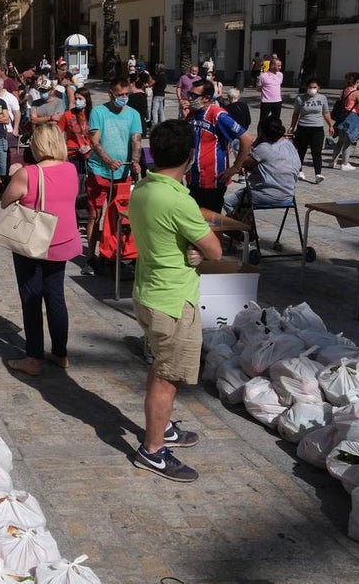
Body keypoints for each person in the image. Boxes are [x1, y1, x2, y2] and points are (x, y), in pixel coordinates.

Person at [127, 119, 222, 482]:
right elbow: (213, 249)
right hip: (172, 300)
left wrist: (189, 248)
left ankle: (161, 429)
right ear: (189, 155)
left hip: (149, 291)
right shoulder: (179, 200)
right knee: (167, 377)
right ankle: (152, 451)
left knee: (160, 365)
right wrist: (198, 246)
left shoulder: (144, 188)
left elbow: (167, 235)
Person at [1, 125, 84, 376]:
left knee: (32, 298)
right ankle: (60, 352)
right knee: (56, 296)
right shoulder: (70, 169)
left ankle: (33, 357)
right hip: (62, 240)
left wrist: (13, 174)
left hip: (33, 243)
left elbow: (6, 201)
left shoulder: (28, 174)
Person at [83, 78, 142, 272]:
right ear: (111, 93)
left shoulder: (133, 114)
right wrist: (108, 160)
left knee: (120, 216)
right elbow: (94, 141)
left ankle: (114, 253)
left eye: (126, 95)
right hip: (100, 171)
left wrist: (135, 162)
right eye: (120, 95)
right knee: (95, 214)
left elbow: (136, 140)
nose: (123, 98)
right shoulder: (99, 112)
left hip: (123, 173)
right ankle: (91, 256)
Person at [185, 81, 253, 212]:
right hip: (193, 178)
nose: (189, 98)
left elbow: (247, 138)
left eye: (193, 95)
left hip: (213, 180)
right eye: (189, 94)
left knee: (211, 223)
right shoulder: (192, 113)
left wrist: (236, 167)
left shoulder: (218, 115)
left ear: (206, 98)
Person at [223, 119, 300, 216]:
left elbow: (242, 162)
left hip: (266, 195)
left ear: (262, 133)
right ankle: (244, 223)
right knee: (242, 207)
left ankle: (241, 228)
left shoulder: (264, 148)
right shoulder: (290, 144)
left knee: (226, 201)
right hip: (288, 195)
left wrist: (256, 143)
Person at [288, 78, 334, 183]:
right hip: (303, 127)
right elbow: (296, 114)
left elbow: (326, 112)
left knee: (316, 152)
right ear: (306, 87)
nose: (312, 89)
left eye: (314, 87)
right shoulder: (300, 98)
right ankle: (299, 171)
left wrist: (330, 125)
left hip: (317, 128)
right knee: (301, 151)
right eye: (310, 87)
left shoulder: (322, 98)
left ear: (318, 88)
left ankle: (318, 174)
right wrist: (292, 126)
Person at [332, 72, 359, 171]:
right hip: (352, 118)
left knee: (340, 141)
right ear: (357, 81)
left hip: (342, 117)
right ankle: (344, 163)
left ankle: (333, 162)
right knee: (347, 142)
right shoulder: (357, 93)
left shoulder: (344, 91)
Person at [59, 87, 92, 179]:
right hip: (73, 154)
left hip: (91, 155)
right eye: (76, 99)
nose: (77, 101)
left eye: (80, 99)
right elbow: (57, 133)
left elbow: (100, 135)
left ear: (87, 100)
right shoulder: (67, 115)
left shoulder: (94, 114)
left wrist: (90, 146)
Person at [257, 57, 284, 132]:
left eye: (280, 65)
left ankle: (274, 134)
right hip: (266, 102)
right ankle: (261, 136)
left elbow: (279, 84)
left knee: (276, 120)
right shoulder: (263, 76)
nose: (280, 67)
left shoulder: (280, 75)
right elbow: (259, 88)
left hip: (277, 101)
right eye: (278, 66)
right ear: (272, 66)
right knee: (263, 120)